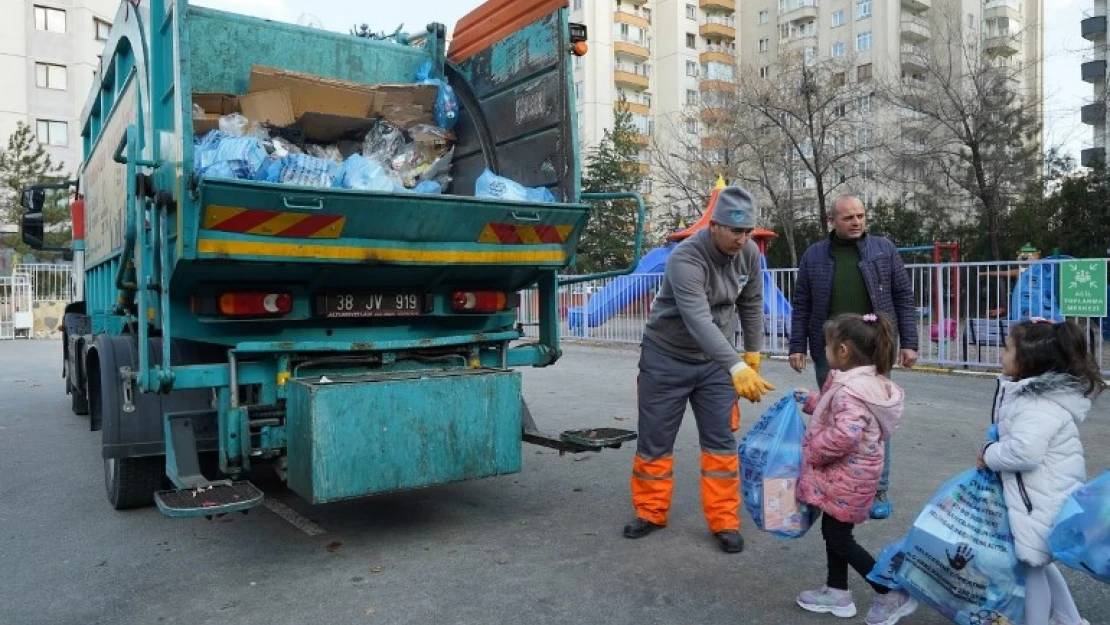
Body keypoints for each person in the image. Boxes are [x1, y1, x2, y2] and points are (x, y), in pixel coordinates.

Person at [624, 185, 774, 554]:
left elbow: (752, 302)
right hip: (666, 358)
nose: (743, 239)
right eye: (736, 231)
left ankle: (724, 519)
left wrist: (753, 352)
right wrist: (737, 365)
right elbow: (698, 320)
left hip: (714, 365)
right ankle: (651, 511)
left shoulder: (749, 254)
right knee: (655, 440)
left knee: (721, 443)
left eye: (748, 232)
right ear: (715, 226)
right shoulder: (686, 258)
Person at [788, 195, 918, 519]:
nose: (857, 222)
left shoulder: (883, 249)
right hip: (830, 352)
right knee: (834, 417)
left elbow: (903, 295)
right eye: (848, 217)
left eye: (861, 215)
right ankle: (832, 487)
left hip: (875, 349)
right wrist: (796, 346)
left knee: (874, 421)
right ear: (833, 220)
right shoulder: (814, 255)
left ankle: (878, 489)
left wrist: (910, 342)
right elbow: (801, 302)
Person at [792, 313, 918, 625]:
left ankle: (889, 591)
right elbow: (836, 410)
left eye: (827, 346)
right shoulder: (860, 383)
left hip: (845, 475)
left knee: (838, 537)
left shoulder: (850, 389)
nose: (824, 351)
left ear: (844, 351)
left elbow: (845, 433)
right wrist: (811, 402)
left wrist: (813, 449)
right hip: (853, 476)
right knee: (835, 531)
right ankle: (837, 591)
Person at [977, 319, 1102, 625]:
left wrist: (988, 455)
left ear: (1028, 360)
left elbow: (1025, 452)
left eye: (1008, 348)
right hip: (1041, 496)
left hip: (1039, 500)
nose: (1001, 354)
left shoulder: (1036, 403)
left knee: (1031, 567)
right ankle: (1070, 620)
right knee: (1039, 563)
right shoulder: (1032, 396)